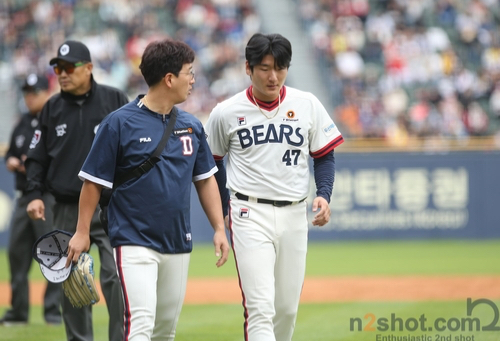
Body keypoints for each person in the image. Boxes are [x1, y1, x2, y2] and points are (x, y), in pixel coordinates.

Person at [65, 38, 230, 341]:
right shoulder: (118, 123)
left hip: (178, 241)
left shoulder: (192, 125)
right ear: (169, 79)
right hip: (133, 239)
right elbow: (92, 182)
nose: (193, 80)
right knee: (140, 324)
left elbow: (205, 179)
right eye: (188, 73)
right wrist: (82, 231)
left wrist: (219, 227)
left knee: (165, 332)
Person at [204, 33, 344, 341]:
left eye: (280, 67)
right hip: (248, 211)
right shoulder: (226, 111)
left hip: (295, 213)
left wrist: (324, 194)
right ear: (248, 68)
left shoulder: (306, 104)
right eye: (265, 68)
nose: (273, 76)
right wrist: (223, 213)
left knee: (287, 309)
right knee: (260, 307)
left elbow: (324, 156)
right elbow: (210, 168)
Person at [24, 40, 129, 341]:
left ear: (90, 68)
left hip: (110, 207)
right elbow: (36, 156)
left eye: (69, 67)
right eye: (58, 68)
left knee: (116, 277)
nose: (62, 73)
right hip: (67, 207)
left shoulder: (114, 99)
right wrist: (33, 193)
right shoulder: (51, 108)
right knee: (71, 282)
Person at [0, 74, 61, 326]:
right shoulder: (23, 123)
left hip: (47, 196)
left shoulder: (56, 119)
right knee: (16, 253)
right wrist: (13, 162)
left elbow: (63, 158)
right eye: (26, 92)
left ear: (46, 92)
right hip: (24, 196)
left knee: (53, 255)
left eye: (34, 92)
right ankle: (18, 311)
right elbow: (11, 153)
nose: (29, 97)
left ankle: (52, 311)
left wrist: (35, 165)